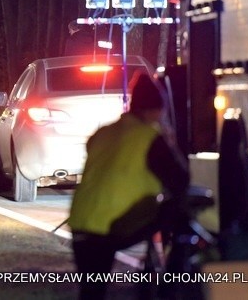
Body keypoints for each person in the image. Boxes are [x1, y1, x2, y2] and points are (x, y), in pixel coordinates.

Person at [68, 73, 189, 299]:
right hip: (114, 226)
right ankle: (161, 281)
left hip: (80, 221)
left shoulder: (103, 133)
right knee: (176, 210)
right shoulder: (151, 138)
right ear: (156, 110)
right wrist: (169, 139)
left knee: (91, 291)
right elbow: (181, 180)